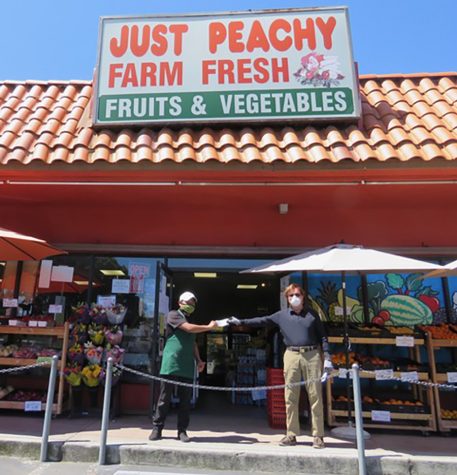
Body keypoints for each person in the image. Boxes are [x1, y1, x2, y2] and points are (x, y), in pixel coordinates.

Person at [229, 283, 332, 448]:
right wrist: (240, 321)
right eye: (291, 296)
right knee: (290, 395)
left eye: (297, 294)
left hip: (312, 355)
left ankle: (318, 435)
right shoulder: (281, 315)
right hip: (291, 354)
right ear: (287, 299)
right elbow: (262, 320)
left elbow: (323, 337)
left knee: (315, 395)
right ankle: (291, 434)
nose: (295, 298)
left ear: (303, 296)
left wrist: (327, 356)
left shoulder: (312, 315)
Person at [149, 291, 217, 442]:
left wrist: (199, 360)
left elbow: (193, 342)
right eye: (188, 302)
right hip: (171, 362)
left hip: (187, 364)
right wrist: (208, 327)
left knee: (185, 400)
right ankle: (157, 428)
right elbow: (189, 329)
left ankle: (182, 431)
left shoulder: (191, 320)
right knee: (164, 397)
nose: (191, 305)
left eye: (193, 303)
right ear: (180, 303)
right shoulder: (174, 315)